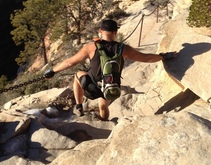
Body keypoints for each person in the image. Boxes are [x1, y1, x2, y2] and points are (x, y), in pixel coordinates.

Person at [44, 19, 177, 121]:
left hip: (92, 88)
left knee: (77, 75)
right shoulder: (123, 49)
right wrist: (165, 56)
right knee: (103, 106)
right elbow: (146, 58)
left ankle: (79, 106)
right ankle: (104, 121)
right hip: (111, 88)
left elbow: (70, 62)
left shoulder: (91, 47)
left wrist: (53, 71)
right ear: (115, 33)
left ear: (100, 32)